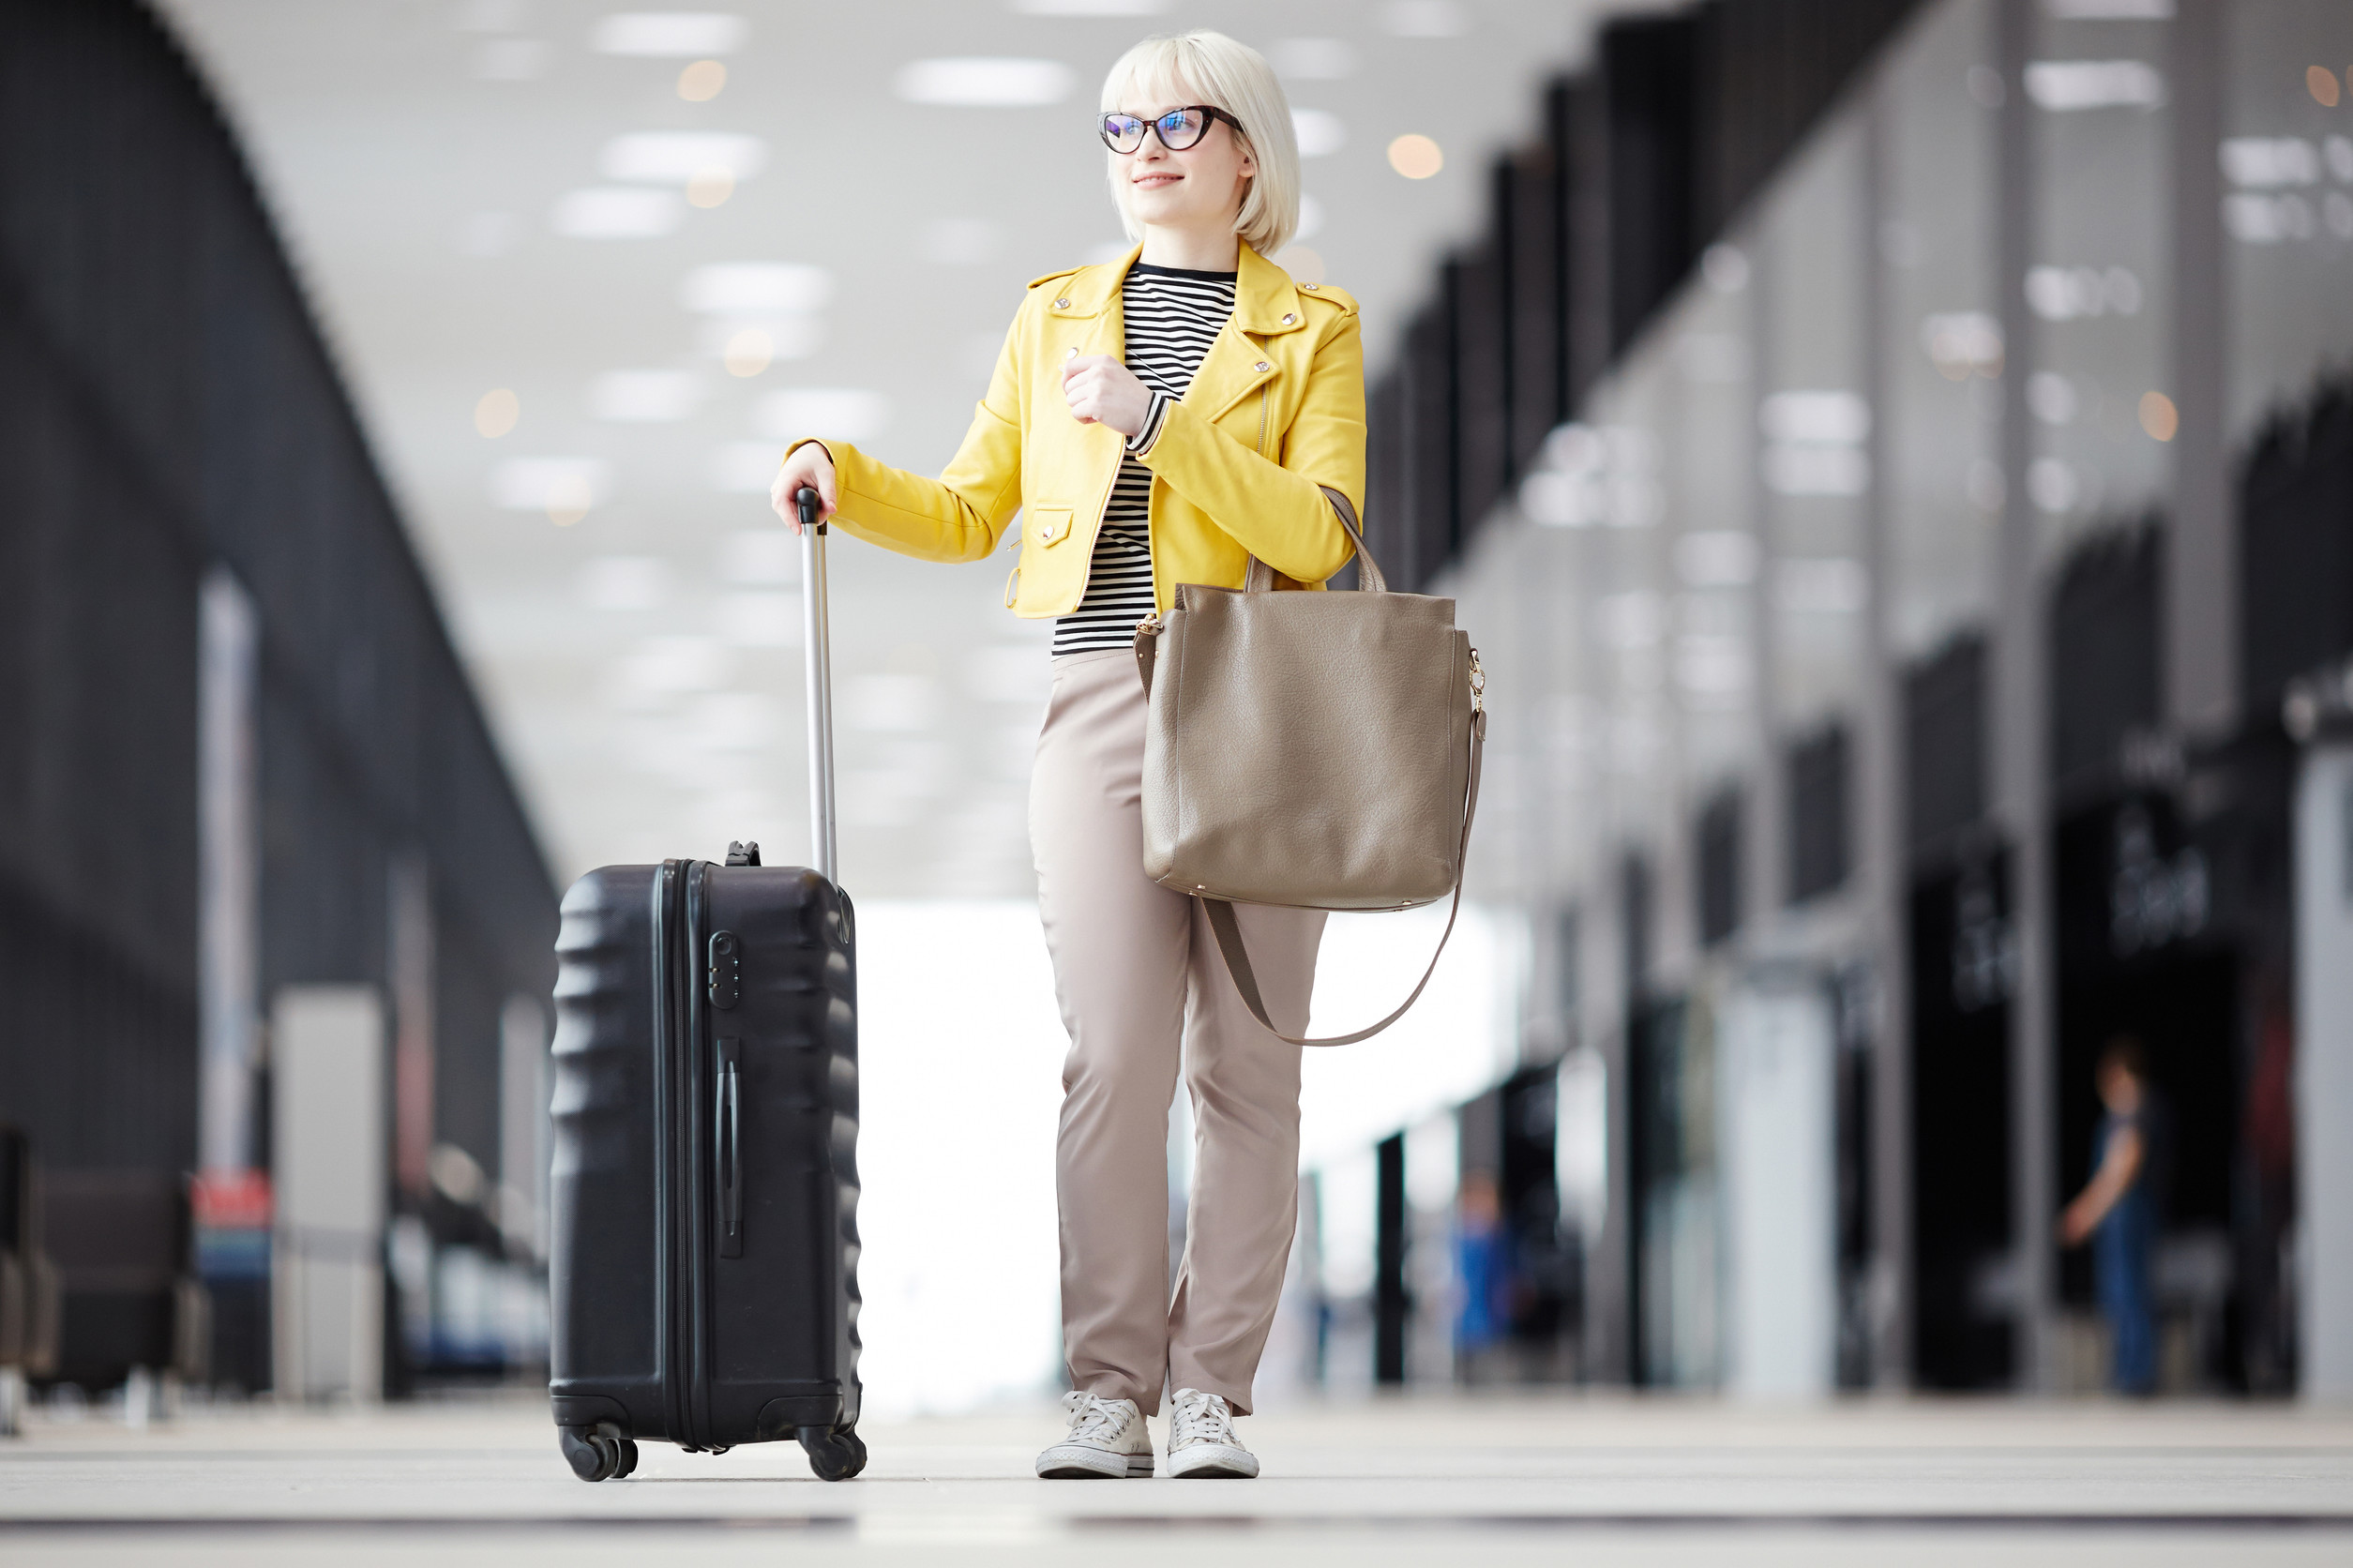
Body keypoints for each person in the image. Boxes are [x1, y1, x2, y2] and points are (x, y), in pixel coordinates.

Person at [769, 31, 1363, 1480]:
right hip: (1099, 703)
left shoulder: (1313, 326)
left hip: (1259, 705)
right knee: (1112, 1058)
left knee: (1250, 1073)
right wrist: (843, 474)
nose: (1144, 148)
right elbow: (971, 510)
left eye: (1177, 122)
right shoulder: (1054, 320)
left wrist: (1159, 425)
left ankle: (1210, 1391)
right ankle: (1110, 1390)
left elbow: (1320, 537)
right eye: (1119, 126)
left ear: (1246, 150)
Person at [2058, 1037, 2164, 1395]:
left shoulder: (2130, 1110)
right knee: (2126, 1292)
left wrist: (2087, 1212)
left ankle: (2134, 1375)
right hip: (2128, 1216)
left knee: (2127, 1292)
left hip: (2127, 1216)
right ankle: (2132, 1371)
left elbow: (2121, 1169)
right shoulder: (2140, 1110)